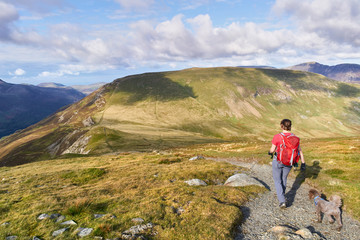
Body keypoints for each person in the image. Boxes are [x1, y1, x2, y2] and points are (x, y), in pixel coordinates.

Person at [269, 119, 305, 209]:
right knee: (284, 178)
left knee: (277, 180)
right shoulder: (295, 138)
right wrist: (303, 163)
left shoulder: (277, 136)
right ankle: (282, 196)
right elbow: (299, 151)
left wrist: (270, 152)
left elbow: (272, 150)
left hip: (278, 161)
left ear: (281, 125)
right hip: (289, 162)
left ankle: (282, 201)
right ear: (290, 126)